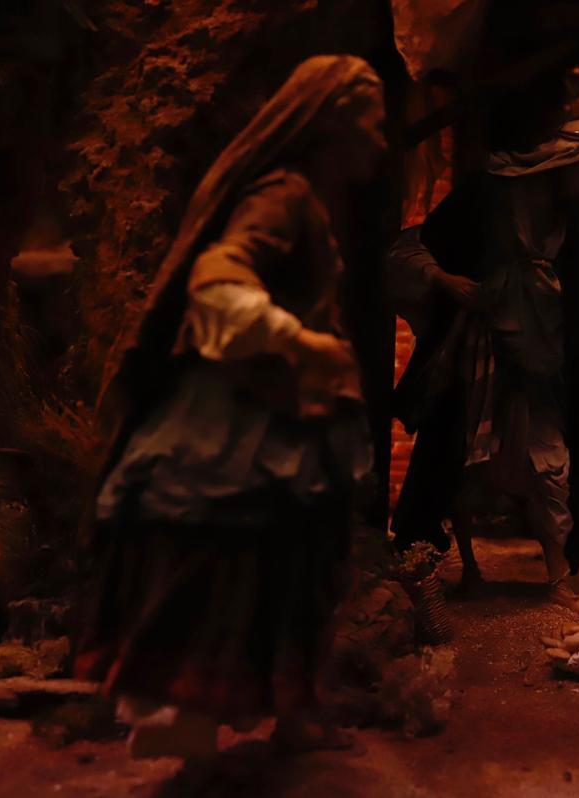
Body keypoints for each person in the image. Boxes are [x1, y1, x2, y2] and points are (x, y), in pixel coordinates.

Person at [74, 56, 389, 758]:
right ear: (333, 122)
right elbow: (220, 276)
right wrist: (298, 341)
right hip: (250, 429)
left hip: (292, 429)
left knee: (302, 568)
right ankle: (188, 715)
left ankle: (295, 710)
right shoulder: (282, 197)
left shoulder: (308, 199)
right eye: (373, 120)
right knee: (235, 569)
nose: (382, 139)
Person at [388, 120, 579, 610]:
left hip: (541, 355)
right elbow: (414, 247)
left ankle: (558, 577)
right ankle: (461, 570)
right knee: (461, 462)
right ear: (566, 164)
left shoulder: (577, 217)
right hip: (480, 349)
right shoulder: (489, 195)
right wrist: (447, 282)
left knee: (551, 462)